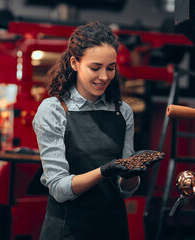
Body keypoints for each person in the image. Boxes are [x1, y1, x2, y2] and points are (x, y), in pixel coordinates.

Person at [32, 21, 163, 240]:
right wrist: (105, 170)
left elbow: (124, 190)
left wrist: (131, 173)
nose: (104, 76)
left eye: (110, 68)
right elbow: (59, 188)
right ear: (74, 63)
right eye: (95, 67)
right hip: (68, 230)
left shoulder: (123, 112)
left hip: (113, 229)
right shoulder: (54, 110)